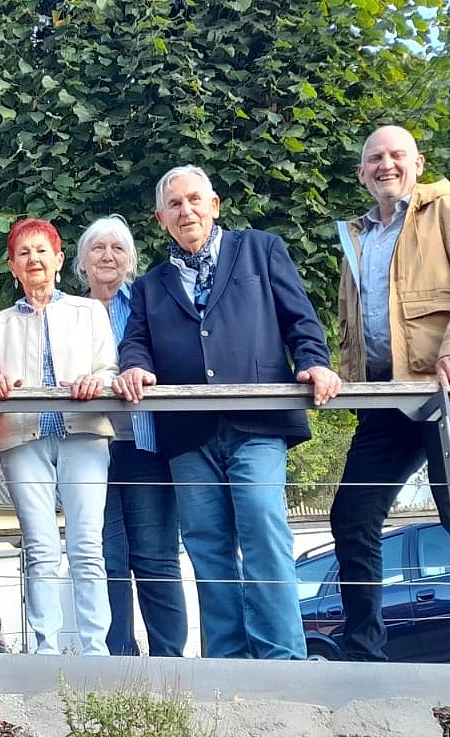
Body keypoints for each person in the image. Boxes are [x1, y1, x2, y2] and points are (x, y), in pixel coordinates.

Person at [114, 166, 340, 660]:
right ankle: (228, 664)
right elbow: (136, 342)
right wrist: (134, 367)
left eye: (194, 200)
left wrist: (315, 362)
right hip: (188, 432)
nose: (186, 210)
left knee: (262, 524)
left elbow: (298, 316)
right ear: (161, 219)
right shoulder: (151, 285)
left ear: (214, 205)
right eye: (174, 205)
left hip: (257, 419)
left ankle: (282, 659)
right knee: (206, 544)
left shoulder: (260, 249)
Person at [328, 125, 450, 663]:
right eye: (374, 159)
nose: (385, 165)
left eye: (396, 155)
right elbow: (356, 325)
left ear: (418, 162)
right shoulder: (357, 237)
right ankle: (364, 654)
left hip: (449, 390)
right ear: (362, 172)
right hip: (386, 399)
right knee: (353, 513)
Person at [0, 218, 117, 656]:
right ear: (13, 267)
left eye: (42, 251)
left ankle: (95, 648)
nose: (33, 259)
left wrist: (96, 382)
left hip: (85, 434)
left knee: (86, 543)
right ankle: (45, 648)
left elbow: (109, 369)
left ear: (58, 260)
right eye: (24, 253)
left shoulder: (89, 311)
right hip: (23, 438)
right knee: (39, 545)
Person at [75, 215, 187, 658]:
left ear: (131, 260)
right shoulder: (69, 312)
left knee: (156, 556)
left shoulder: (149, 300)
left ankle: (170, 663)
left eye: (117, 248)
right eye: (97, 248)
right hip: (88, 443)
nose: (107, 256)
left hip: (144, 441)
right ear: (81, 262)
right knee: (105, 558)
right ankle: (116, 662)